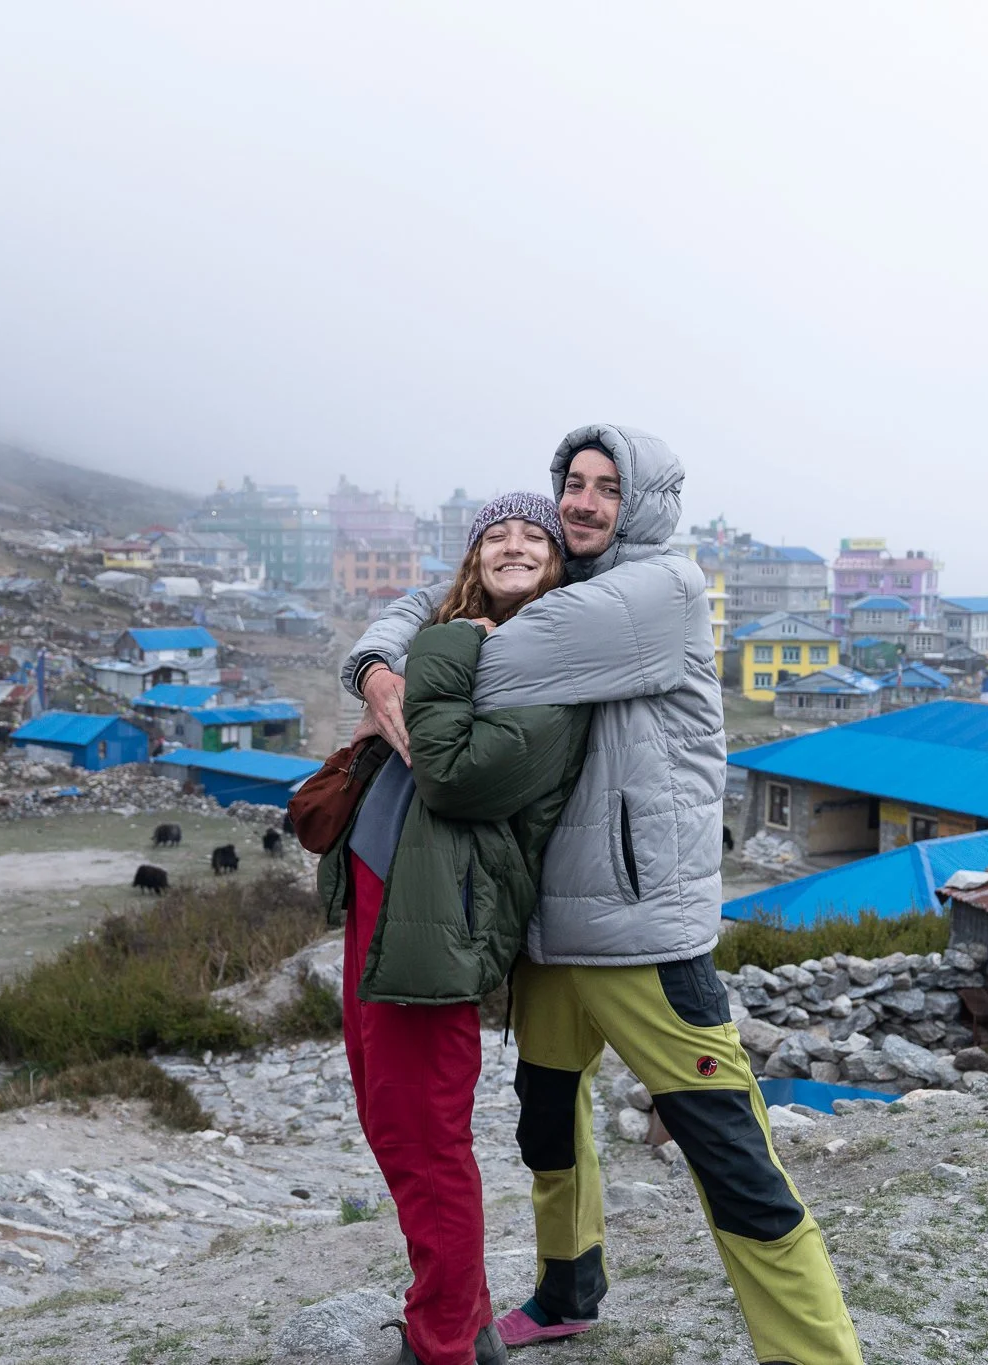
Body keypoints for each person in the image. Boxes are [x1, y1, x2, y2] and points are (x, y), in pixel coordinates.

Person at [343, 425, 862, 1365]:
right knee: (548, 1124)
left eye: (607, 488)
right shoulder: (566, 581)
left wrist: (422, 657)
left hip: (639, 932)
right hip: (549, 924)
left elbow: (467, 657)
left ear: (648, 503)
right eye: (572, 483)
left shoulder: (659, 592)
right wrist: (375, 663)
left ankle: (818, 1354)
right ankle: (566, 1291)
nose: (582, 502)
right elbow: (426, 603)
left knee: (729, 1153)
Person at [318, 492, 594, 1365]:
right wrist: (378, 668)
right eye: (494, 536)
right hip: (384, 889)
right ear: (472, 560)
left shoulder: (556, 658)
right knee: (386, 1112)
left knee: (426, 1129)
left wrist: (431, 653)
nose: (513, 545)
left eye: (534, 537)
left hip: (446, 913)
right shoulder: (450, 629)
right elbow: (397, 636)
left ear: (560, 564)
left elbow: (454, 778)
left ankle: (442, 1341)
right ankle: (466, 1316)